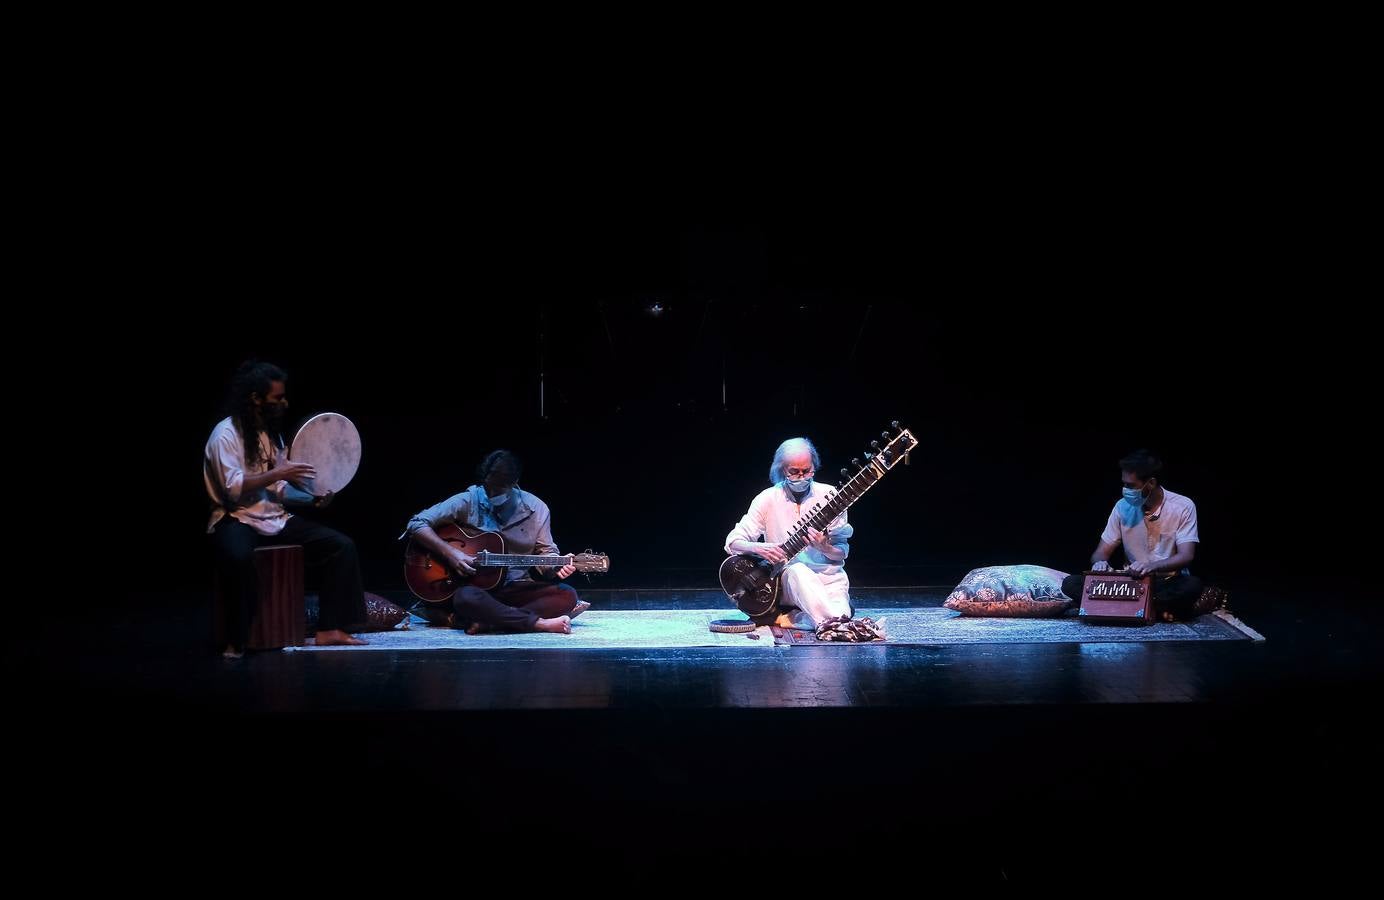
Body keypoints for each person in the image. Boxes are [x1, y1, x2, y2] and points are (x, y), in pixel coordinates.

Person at [204, 360, 367, 656]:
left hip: (273, 518)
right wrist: (278, 473)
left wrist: (312, 500)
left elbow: (278, 490)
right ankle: (236, 638)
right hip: (236, 518)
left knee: (341, 546)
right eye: (277, 398)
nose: (284, 403)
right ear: (255, 399)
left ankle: (330, 628)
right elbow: (232, 487)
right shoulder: (225, 435)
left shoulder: (269, 435)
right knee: (237, 557)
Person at [404, 450, 587, 634]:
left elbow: (546, 555)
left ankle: (489, 622)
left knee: (567, 595)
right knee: (465, 598)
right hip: (476, 589)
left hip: (515, 588)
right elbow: (417, 523)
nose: (492, 493)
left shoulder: (536, 509)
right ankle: (537, 623)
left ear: (514, 482)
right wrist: (451, 554)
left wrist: (556, 566)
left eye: (499, 487)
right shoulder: (469, 500)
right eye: (489, 485)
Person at [724, 437, 857, 631]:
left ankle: (792, 619)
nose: (802, 477)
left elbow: (841, 553)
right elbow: (733, 542)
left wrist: (824, 547)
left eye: (807, 470)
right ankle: (828, 620)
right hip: (789, 582)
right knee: (799, 570)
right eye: (794, 471)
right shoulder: (767, 499)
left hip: (829, 580)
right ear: (781, 470)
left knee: (836, 617)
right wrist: (760, 548)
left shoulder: (831, 497)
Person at [1060, 449, 1203, 621]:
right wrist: (1099, 563)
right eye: (1124, 484)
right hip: (1129, 583)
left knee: (1192, 586)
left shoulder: (1183, 506)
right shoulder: (1122, 507)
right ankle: (1153, 610)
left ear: (1150, 483)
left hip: (1164, 582)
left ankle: (1119, 608)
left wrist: (1153, 566)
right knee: (1070, 583)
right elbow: (1100, 552)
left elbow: (1186, 555)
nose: (1125, 490)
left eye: (1130, 486)